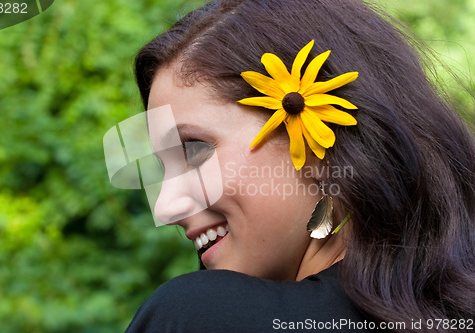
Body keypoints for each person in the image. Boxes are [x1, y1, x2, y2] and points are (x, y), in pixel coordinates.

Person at [121, 0, 475, 331]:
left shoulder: (193, 316)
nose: (165, 207)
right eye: (163, 167)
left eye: (194, 150)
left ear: (323, 140)